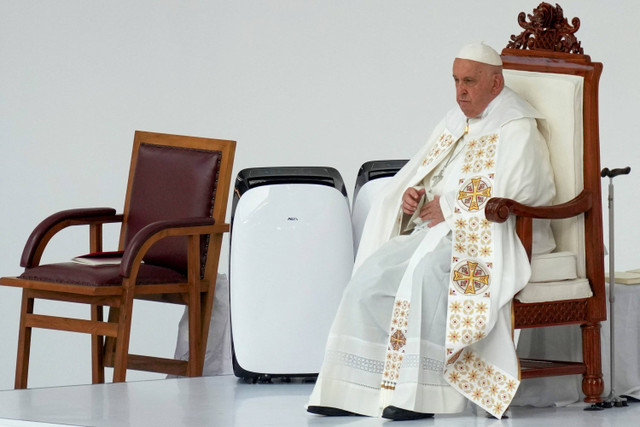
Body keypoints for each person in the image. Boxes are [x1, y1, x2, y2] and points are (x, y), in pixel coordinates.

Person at [306, 42, 556, 420]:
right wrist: (416, 197)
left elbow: (520, 191)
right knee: (370, 279)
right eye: (456, 81)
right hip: (436, 230)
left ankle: (421, 395)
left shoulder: (517, 126)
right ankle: (351, 388)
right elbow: (430, 172)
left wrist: (452, 207)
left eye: (469, 81)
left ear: (495, 82)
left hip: (492, 236)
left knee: (425, 277)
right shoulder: (457, 120)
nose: (461, 92)